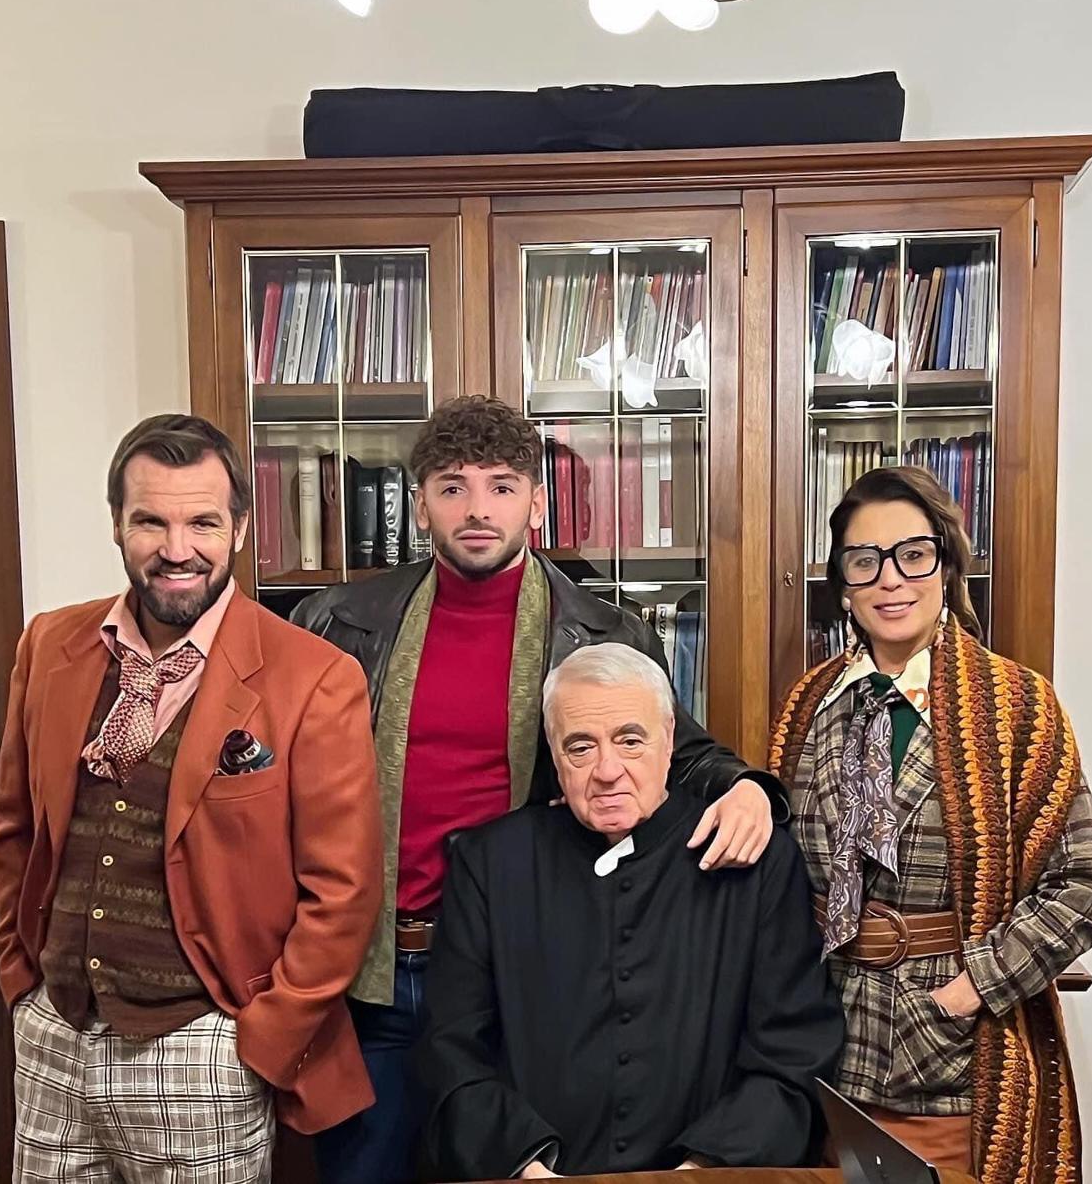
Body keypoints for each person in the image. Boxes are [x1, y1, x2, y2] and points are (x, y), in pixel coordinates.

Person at [292, 395, 785, 1184]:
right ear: (419, 505)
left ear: (537, 502)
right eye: (452, 487)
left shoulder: (607, 632)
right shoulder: (338, 623)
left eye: (501, 486)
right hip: (376, 972)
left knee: (515, 1164)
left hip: (523, 976)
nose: (477, 509)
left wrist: (749, 788)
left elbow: (672, 747)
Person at [0, 414, 383, 1182]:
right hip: (54, 1039)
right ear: (116, 524)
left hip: (203, 1051)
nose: (176, 549)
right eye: (150, 522)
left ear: (239, 529)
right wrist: (19, 985)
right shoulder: (48, 645)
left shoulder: (314, 676)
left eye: (202, 522)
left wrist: (260, 1039)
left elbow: (344, 891)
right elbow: (14, 831)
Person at [769, 466, 1092, 1184]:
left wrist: (970, 989)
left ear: (947, 564)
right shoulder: (808, 705)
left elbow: (1086, 885)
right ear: (843, 583)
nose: (890, 580)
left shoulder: (1017, 705)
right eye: (864, 561)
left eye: (912, 554)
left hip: (955, 1065)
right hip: (822, 1054)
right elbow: (781, 878)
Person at [417, 642, 843, 1179]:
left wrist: (702, 1170)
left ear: (669, 740)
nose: (607, 770)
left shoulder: (754, 861)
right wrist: (527, 1166)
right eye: (580, 747)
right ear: (554, 755)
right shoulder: (490, 862)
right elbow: (451, 1047)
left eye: (630, 740)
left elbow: (793, 1052)